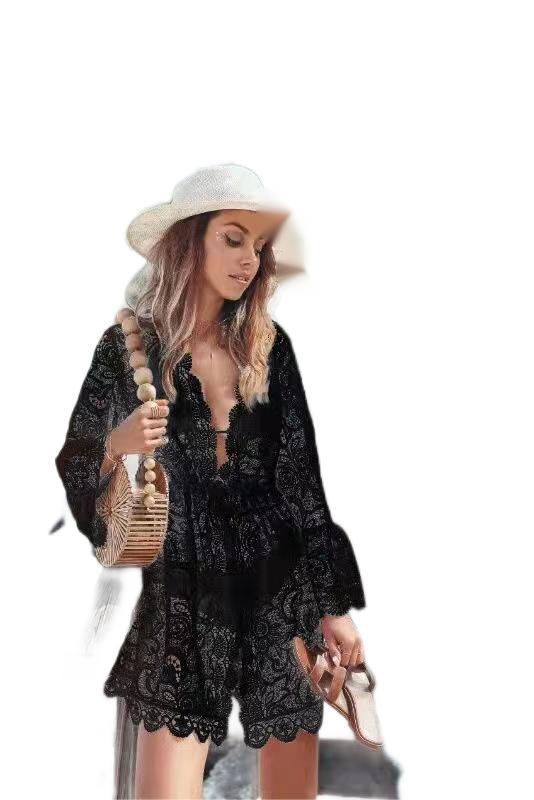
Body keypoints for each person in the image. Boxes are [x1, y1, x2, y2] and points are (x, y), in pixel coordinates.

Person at [55, 163, 367, 800]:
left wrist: (333, 609)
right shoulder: (128, 349)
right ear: (190, 240)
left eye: (259, 246)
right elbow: (77, 463)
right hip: (182, 602)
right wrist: (118, 443)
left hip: (283, 601)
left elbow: (303, 488)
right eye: (232, 238)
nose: (249, 259)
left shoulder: (270, 348)